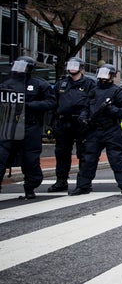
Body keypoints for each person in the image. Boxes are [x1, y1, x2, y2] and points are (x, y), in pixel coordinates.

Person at [70, 64, 122, 196]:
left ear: (112, 76)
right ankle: (83, 186)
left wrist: (112, 110)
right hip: (94, 129)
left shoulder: (118, 92)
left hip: (111, 129)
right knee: (88, 159)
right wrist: (83, 118)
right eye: (102, 74)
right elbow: (86, 108)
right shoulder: (93, 91)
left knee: (116, 158)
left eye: (107, 74)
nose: (104, 77)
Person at [0, 56, 56, 199]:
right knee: (1, 156)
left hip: (30, 126)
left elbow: (50, 103)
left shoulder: (39, 85)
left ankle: (30, 187)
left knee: (30, 159)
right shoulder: (6, 84)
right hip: (9, 126)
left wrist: (29, 106)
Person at [47, 57, 95, 193]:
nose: (72, 68)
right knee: (61, 153)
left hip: (82, 123)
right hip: (63, 122)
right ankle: (61, 181)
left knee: (84, 153)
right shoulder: (61, 84)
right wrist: (50, 125)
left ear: (81, 68)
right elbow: (53, 105)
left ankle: (83, 183)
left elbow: (94, 104)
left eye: (75, 65)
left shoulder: (90, 84)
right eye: (70, 65)